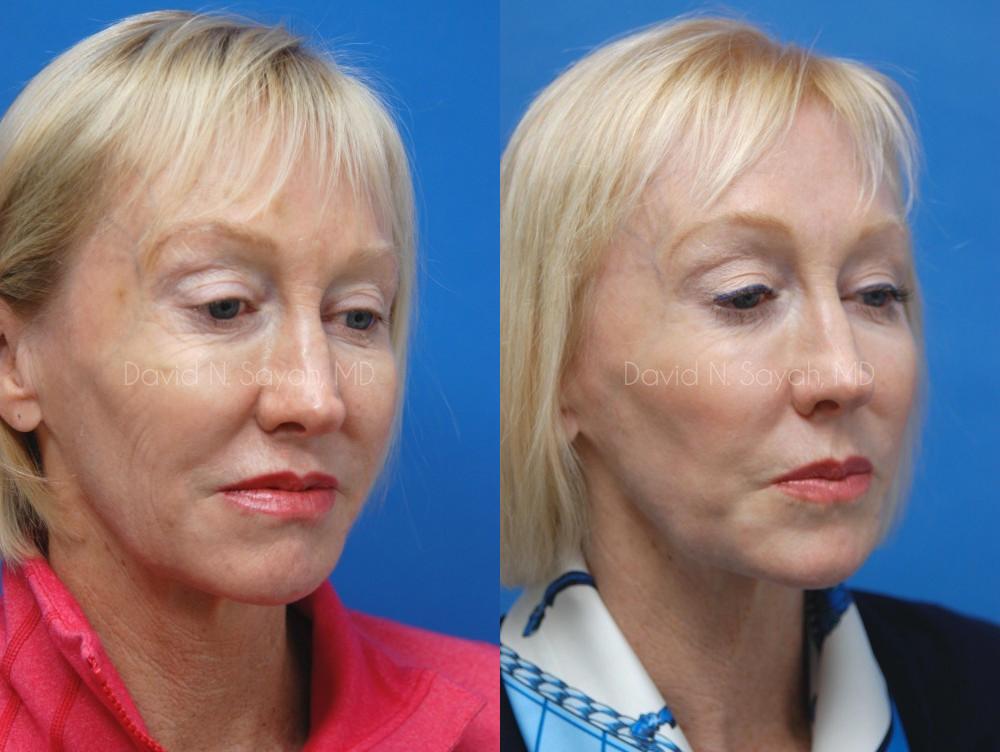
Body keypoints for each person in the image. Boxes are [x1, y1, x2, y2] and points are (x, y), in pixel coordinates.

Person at [0, 10, 497, 751]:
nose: (315, 398)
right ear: (13, 360)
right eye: (224, 305)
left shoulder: (494, 718)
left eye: (359, 316)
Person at [500, 16, 999, 752]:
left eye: (876, 293)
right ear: (556, 366)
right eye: (746, 295)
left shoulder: (981, 692)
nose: (845, 374)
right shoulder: (460, 726)